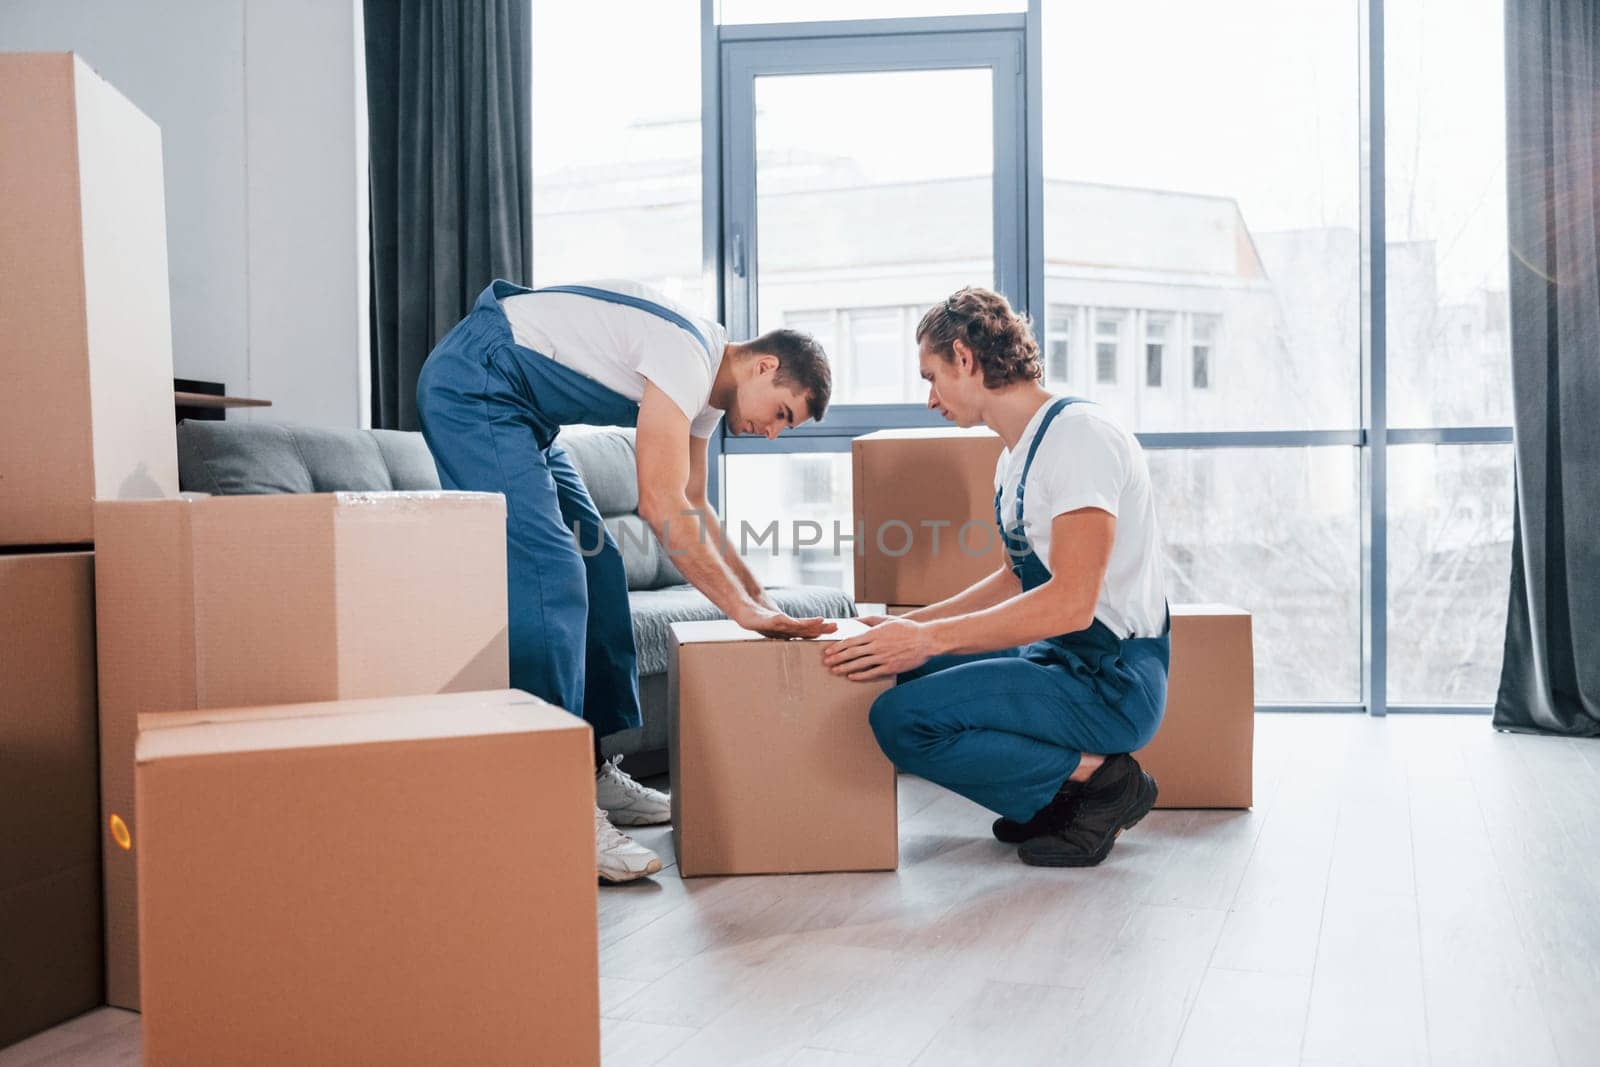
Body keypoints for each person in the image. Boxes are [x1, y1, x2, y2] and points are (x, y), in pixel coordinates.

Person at [417, 279, 836, 883]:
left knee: (598, 563)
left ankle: (590, 771)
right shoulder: (686, 355)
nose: (773, 431)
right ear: (765, 366)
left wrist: (759, 599)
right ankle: (554, 803)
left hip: (526, 417)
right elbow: (660, 503)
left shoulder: (710, 391)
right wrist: (739, 615)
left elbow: (695, 502)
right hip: (473, 384)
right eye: (782, 413)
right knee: (550, 571)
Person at [823, 286, 1170, 868]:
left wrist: (927, 639)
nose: (930, 398)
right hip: (1059, 661)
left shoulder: (1081, 438)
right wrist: (900, 628)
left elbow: (1070, 604)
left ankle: (1102, 782)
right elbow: (1017, 579)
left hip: (1111, 682)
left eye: (930, 376)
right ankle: (1061, 797)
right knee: (897, 676)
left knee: (900, 720)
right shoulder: (1014, 458)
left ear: (965, 357)